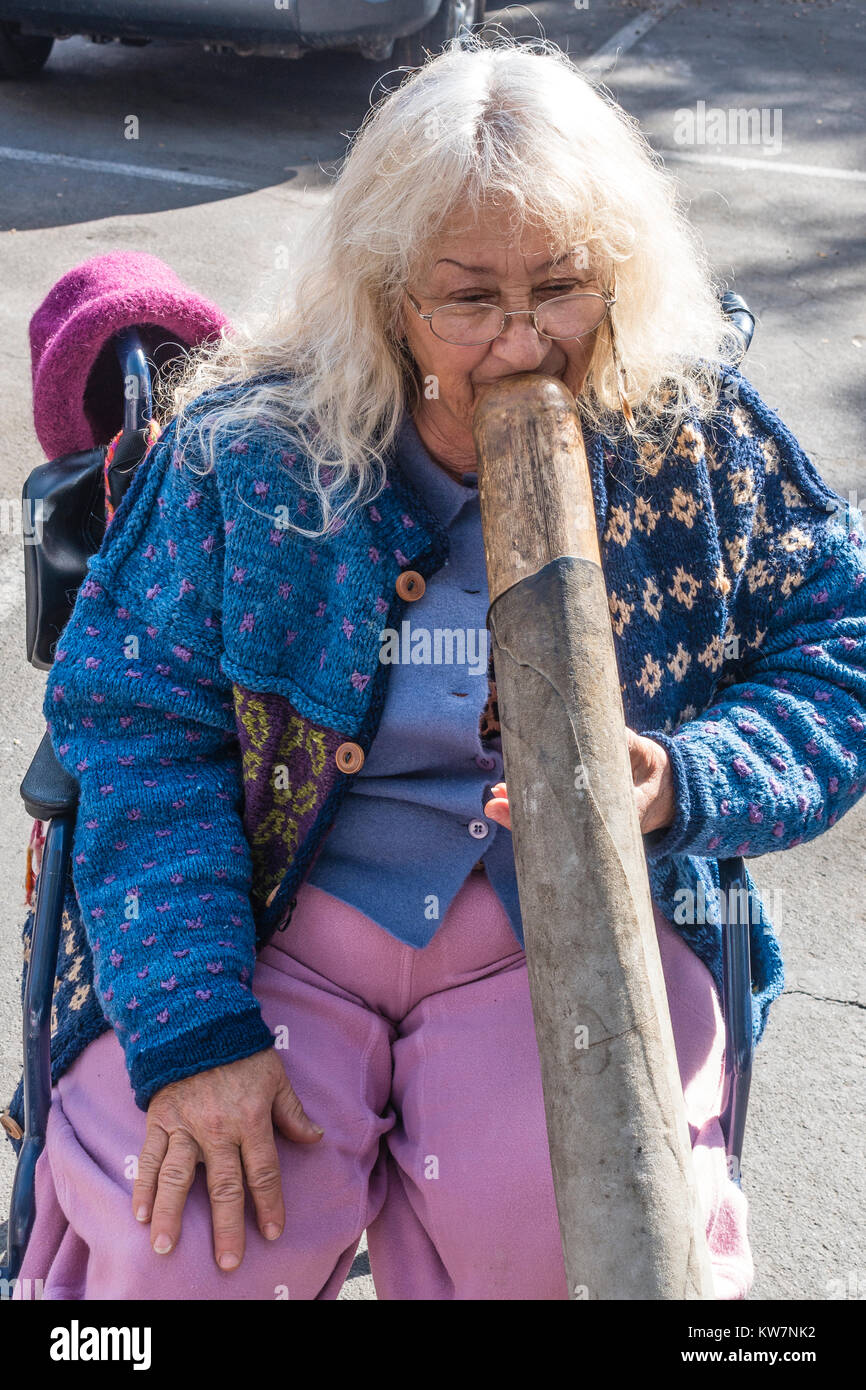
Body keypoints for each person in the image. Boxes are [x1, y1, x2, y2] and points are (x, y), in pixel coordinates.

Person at [9, 34, 866, 1301]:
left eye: (562, 289)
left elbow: (841, 647)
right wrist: (194, 1026)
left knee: (584, 1245)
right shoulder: (248, 455)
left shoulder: (690, 433)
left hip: (552, 944)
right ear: (386, 298)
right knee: (186, 1245)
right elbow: (130, 723)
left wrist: (686, 779)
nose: (522, 344)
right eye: (468, 300)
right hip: (268, 930)